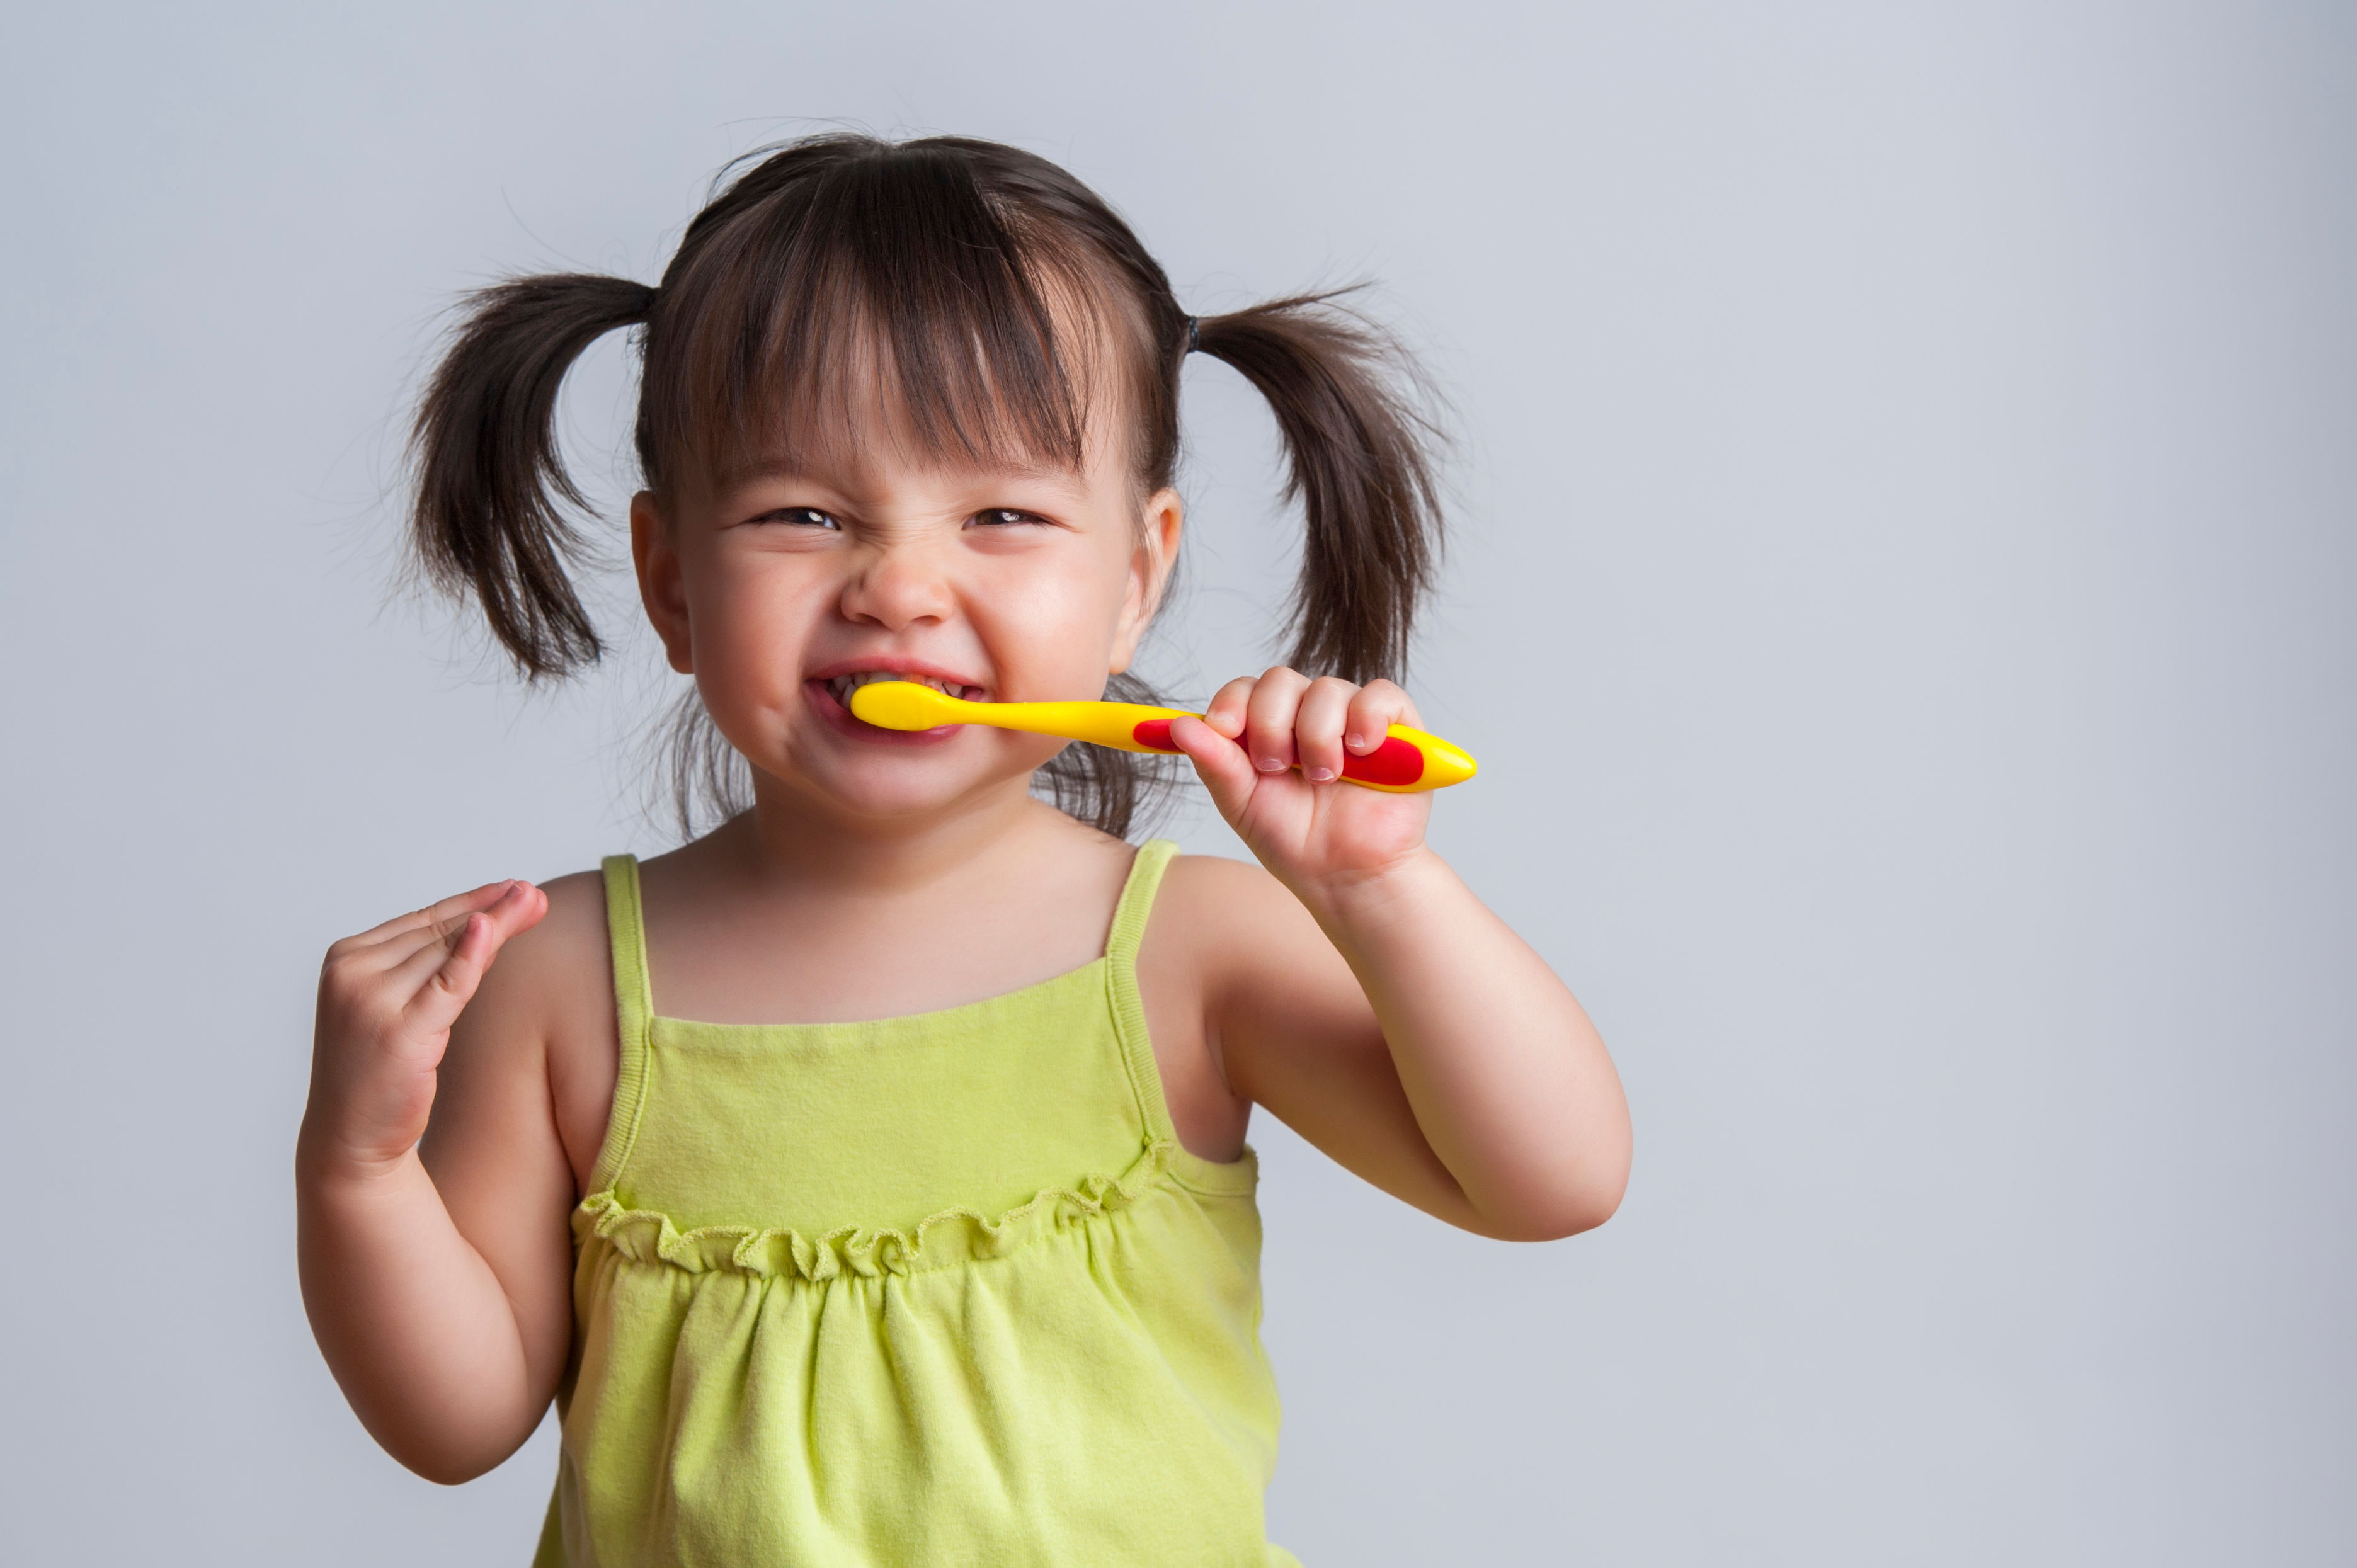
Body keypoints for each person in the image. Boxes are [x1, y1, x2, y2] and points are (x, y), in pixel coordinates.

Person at [297, 132, 1631, 1567]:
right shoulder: (556, 980)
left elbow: (1546, 1182)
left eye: (1001, 514)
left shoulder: (1185, 954)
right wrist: (358, 1172)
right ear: (672, 581)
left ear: (1132, 580)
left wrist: (1380, 890)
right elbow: (456, 1425)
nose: (899, 586)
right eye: (801, 513)